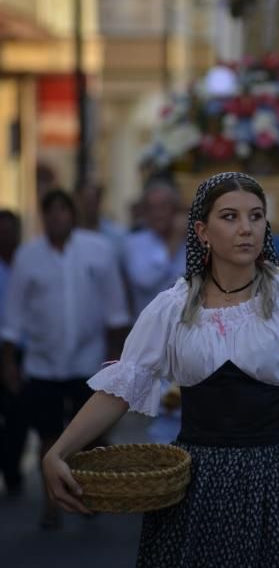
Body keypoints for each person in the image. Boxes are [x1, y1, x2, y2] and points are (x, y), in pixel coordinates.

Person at [42, 172, 279, 568]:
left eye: (256, 216)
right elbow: (120, 388)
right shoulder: (174, 308)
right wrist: (57, 452)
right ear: (202, 230)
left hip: (276, 483)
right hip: (195, 484)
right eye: (230, 216)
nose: (246, 228)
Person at [1, 189, 130, 528]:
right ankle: (51, 504)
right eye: (51, 211)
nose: (58, 217)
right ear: (44, 217)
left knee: (87, 435)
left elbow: (115, 309)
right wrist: (9, 362)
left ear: (72, 214)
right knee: (48, 436)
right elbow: (13, 317)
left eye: (63, 210)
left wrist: (117, 357)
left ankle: (88, 494)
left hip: (88, 361)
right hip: (43, 363)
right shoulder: (29, 256)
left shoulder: (98, 250)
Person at [123, 181, 187, 320]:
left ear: (175, 210)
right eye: (152, 208)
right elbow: (145, 280)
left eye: (163, 207)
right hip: (149, 329)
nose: (158, 214)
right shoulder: (134, 242)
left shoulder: (190, 242)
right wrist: (174, 240)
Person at [0, 210, 28, 496]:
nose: (6, 235)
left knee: (17, 413)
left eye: (10, 230)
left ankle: (12, 473)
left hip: (18, 350)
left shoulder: (26, 262)